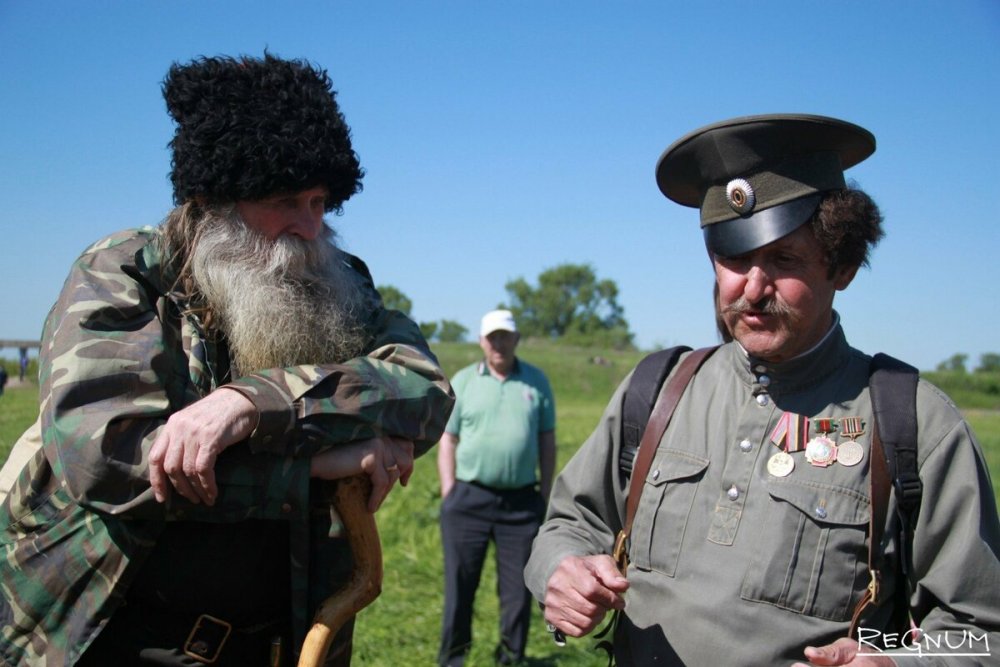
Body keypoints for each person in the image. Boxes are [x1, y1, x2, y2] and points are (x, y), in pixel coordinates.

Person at [0, 53, 454, 666]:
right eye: (286, 200)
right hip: (112, 634)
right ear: (216, 199)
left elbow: (423, 388)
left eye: (321, 202)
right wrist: (316, 465)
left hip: (280, 638)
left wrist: (252, 404)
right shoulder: (126, 272)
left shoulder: (337, 280)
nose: (310, 227)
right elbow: (106, 457)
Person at [525, 114, 1000, 666]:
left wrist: (894, 661)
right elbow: (569, 524)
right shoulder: (657, 389)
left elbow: (980, 632)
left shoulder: (915, 423)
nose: (751, 289)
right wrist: (561, 569)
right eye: (734, 258)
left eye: (783, 259)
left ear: (842, 266)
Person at [437, 309, 556, 666]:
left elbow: (547, 441)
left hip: (521, 505)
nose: (499, 343)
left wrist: (546, 495)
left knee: (518, 591)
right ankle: (454, 658)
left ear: (516, 340)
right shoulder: (463, 381)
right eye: (493, 337)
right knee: (460, 587)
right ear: (482, 341)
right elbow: (448, 439)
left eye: (506, 336)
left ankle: (510, 657)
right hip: (468, 500)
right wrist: (449, 490)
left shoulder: (536, 382)